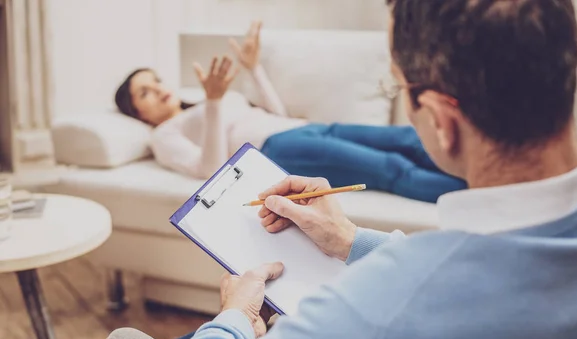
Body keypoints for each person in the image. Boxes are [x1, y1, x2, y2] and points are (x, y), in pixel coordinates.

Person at [146, 0, 577, 339]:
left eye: (399, 89)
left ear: (442, 121)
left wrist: (235, 318)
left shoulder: (373, 312)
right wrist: (350, 239)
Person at [114, 22, 466, 203]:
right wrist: (216, 102)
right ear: (138, 113)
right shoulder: (163, 135)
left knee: (408, 137)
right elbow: (210, 169)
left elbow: (276, 114)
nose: (159, 89)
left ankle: (488, 174)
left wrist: (252, 69)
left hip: (300, 129)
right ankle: (476, 194)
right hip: (279, 151)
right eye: (145, 92)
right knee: (391, 169)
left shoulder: (206, 101)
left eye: (156, 80)